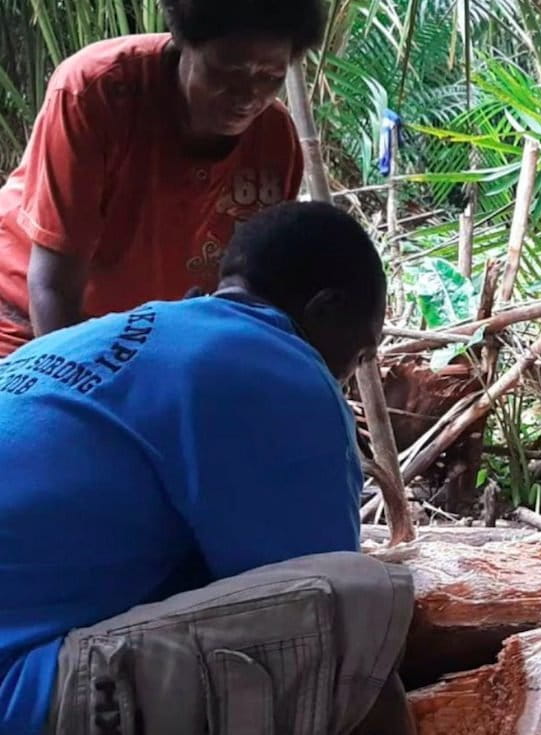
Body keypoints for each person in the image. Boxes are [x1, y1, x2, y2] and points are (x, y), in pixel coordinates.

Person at [0, 201, 415, 735]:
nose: (350, 374)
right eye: (360, 354)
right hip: (16, 689)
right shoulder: (276, 366)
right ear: (325, 310)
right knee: (358, 604)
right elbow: (328, 617)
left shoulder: (100, 339)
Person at [0, 0, 326, 357]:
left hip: (146, 340)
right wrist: (71, 389)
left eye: (270, 77)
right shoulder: (97, 93)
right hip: (26, 322)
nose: (248, 95)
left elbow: (254, 294)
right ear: (183, 42)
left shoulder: (275, 142)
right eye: (228, 71)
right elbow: (52, 286)